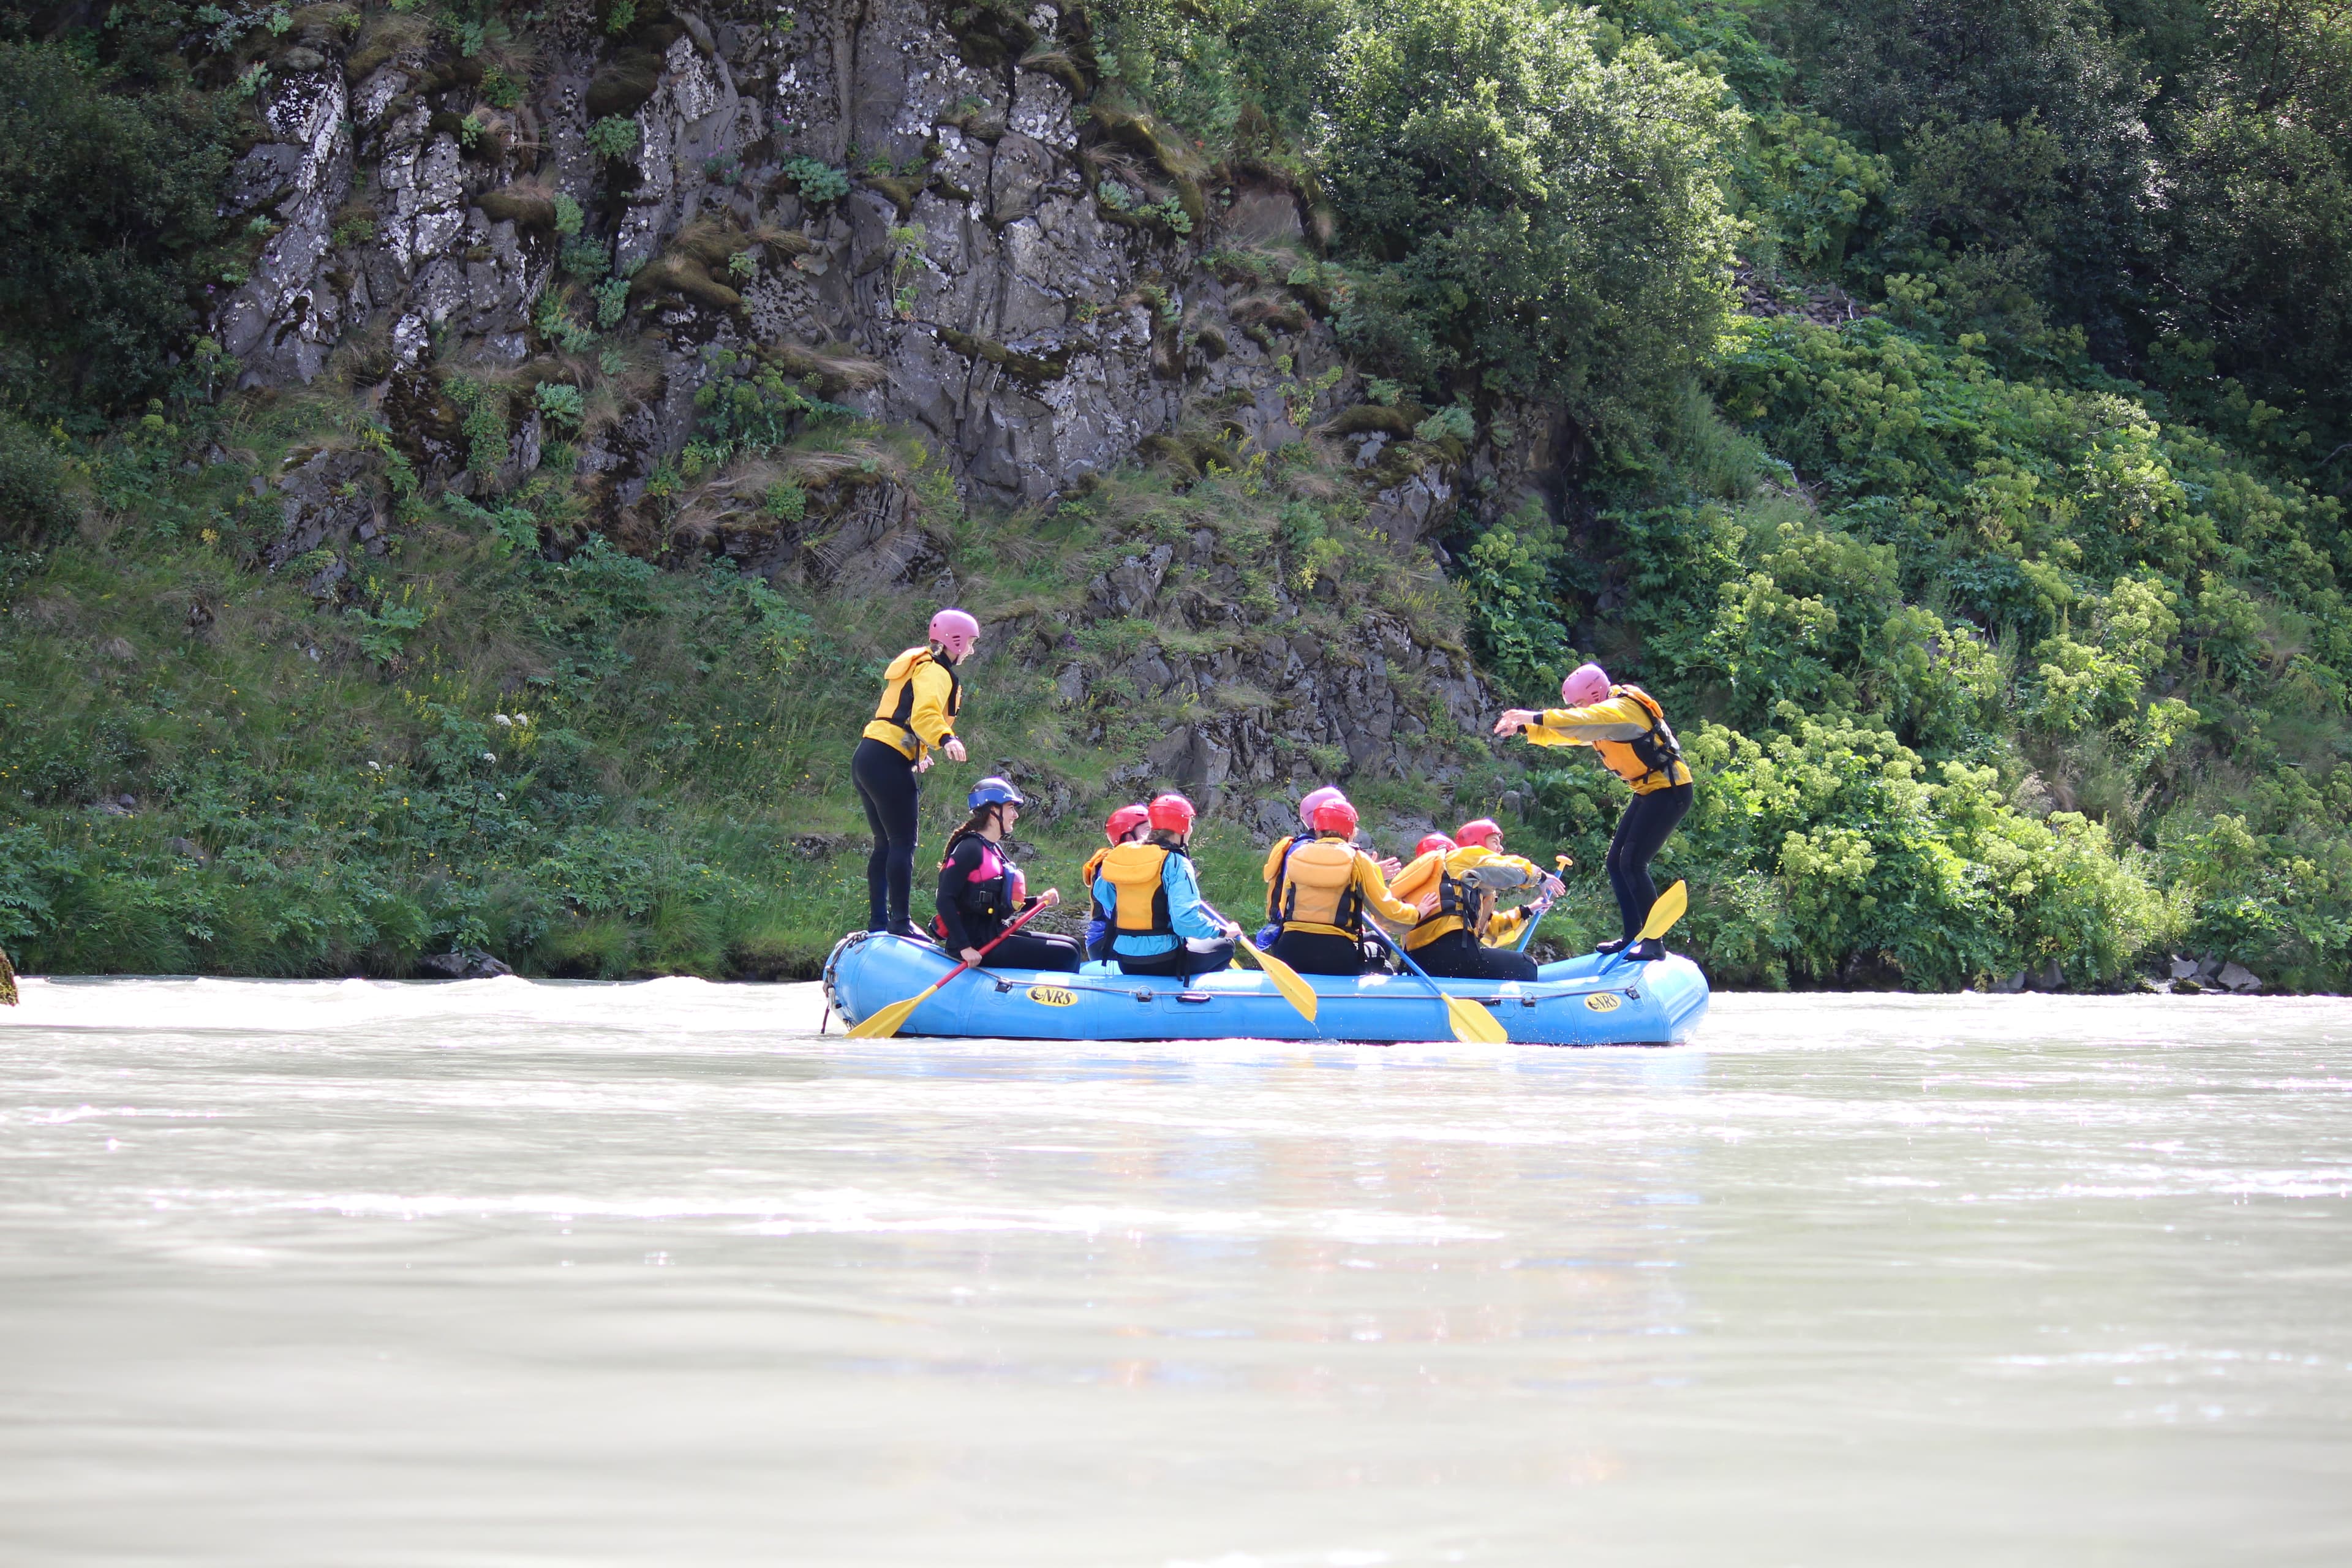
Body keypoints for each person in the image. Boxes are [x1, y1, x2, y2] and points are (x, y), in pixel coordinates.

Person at [1493, 662, 1692, 962]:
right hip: (1649, 791)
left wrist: (1532, 715)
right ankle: (1631, 937)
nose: (1576, 709)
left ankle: (1654, 943)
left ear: (1595, 695)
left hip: (1671, 791)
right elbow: (1572, 732)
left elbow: (1581, 719)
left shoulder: (1622, 710)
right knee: (1616, 863)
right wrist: (1525, 728)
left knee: (1633, 863)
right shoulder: (1603, 717)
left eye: (1579, 703)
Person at [853, 608, 978, 935]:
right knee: (902, 843)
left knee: (885, 844)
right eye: (970, 643)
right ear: (955, 641)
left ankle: (879, 922)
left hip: (868, 755)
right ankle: (899, 923)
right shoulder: (936, 671)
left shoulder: (919, 664)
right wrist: (947, 738)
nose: (971, 650)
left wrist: (918, 753)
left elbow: (901, 717)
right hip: (888, 760)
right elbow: (924, 714)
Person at [932, 776, 1082, 971]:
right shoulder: (970, 849)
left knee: (1073, 946)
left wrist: (1039, 901)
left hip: (993, 933)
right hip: (976, 943)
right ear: (994, 810)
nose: (1016, 815)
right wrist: (965, 947)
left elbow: (1000, 900)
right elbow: (944, 899)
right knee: (1066, 954)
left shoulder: (993, 849)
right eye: (1011, 807)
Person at [1260, 796, 1423, 975]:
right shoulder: (1358, 860)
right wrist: (1417, 914)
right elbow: (1388, 915)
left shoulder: (1296, 856)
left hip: (1289, 952)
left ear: (1317, 828)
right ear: (1350, 831)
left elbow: (1284, 907)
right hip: (1336, 955)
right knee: (1378, 951)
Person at [1389, 818, 1562, 981]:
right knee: (1526, 965)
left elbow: (1489, 931)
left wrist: (1527, 911)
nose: (1501, 849)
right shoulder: (1459, 858)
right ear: (1475, 845)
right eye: (1495, 842)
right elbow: (1509, 869)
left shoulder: (1440, 888)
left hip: (1416, 963)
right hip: (1451, 953)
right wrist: (1541, 877)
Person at [1092, 793, 1240, 979]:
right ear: (1182, 826)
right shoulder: (1176, 862)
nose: (1191, 829)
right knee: (1226, 945)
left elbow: (1103, 895)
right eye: (1190, 824)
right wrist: (1223, 931)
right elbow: (1184, 921)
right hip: (1165, 960)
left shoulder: (1121, 855)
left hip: (1126, 961)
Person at [1081, 802, 1152, 961]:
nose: (1154, 836)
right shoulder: (1110, 865)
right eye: (1148, 831)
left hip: (1129, 938)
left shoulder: (1151, 863)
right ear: (1128, 837)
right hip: (1106, 941)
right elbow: (1118, 914)